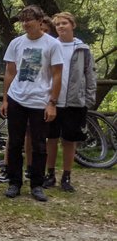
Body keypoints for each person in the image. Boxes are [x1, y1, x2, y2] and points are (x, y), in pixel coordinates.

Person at [0, 5, 64, 202]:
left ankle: (36, 184)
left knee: (39, 144)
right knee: (15, 142)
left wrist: (52, 102)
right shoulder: (16, 43)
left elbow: (57, 74)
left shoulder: (52, 44)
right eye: (23, 20)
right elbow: (10, 72)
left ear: (40, 21)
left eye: (29, 19)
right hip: (17, 98)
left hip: (40, 100)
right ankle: (14, 182)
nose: (26, 23)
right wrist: (5, 98)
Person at [44, 12, 96, 193]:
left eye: (64, 23)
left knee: (69, 140)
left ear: (72, 25)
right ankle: (49, 174)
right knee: (51, 138)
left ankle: (66, 175)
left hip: (75, 102)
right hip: (52, 101)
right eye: (57, 24)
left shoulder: (83, 49)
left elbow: (90, 74)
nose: (61, 27)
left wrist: (89, 98)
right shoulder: (51, 45)